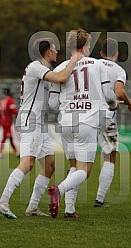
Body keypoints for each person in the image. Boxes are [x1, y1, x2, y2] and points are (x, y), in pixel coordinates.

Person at [0, 37, 83, 219]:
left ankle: (32, 207)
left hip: (38, 123)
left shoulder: (43, 71)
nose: (57, 52)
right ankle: (3, 201)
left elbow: (57, 90)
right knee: (28, 163)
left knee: (49, 165)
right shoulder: (36, 67)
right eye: (55, 49)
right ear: (48, 52)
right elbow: (62, 77)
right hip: (30, 120)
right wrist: (74, 59)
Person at [48, 28, 118, 218]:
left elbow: (53, 104)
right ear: (86, 46)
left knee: (74, 167)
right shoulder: (98, 65)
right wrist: (114, 105)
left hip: (66, 123)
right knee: (84, 171)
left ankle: (70, 210)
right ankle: (59, 190)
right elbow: (109, 97)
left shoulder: (59, 68)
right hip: (86, 123)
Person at [93, 38, 131, 208]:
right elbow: (118, 92)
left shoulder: (92, 64)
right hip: (106, 116)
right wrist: (130, 103)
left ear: (101, 53)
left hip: (84, 114)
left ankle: (66, 197)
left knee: (81, 159)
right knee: (110, 156)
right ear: (117, 53)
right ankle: (99, 199)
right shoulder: (119, 70)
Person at [0, 88, 18, 158]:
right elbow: (14, 111)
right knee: (6, 137)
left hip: (3, 122)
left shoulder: (1, 101)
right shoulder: (10, 100)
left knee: (10, 137)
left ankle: (16, 152)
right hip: (7, 122)